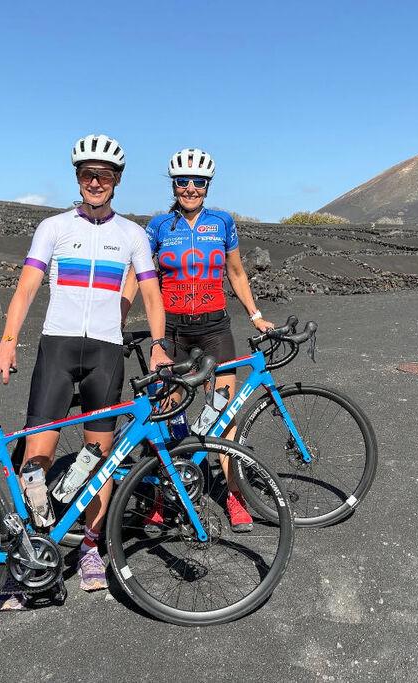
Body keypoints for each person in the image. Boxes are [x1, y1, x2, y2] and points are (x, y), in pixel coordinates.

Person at [0, 134, 171, 605]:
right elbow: (26, 289)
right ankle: (29, 555)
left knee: (99, 460)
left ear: (117, 180)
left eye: (104, 175)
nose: (95, 182)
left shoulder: (132, 235)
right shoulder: (53, 227)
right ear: (78, 178)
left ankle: (90, 548)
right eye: (87, 174)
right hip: (58, 350)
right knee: (35, 460)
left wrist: (160, 346)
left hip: (105, 354)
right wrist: (6, 345)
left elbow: (150, 293)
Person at [123, 147, 275, 532]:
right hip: (173, 330)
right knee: (167, 415)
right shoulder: (159, 226)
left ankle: (235, 495)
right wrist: (117, 319)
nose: (190, 188)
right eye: (182, 181)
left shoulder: (222, 222)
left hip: (214, 329)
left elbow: (236, 273)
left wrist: (255, 315)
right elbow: (139, 276)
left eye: (198, 182)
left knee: (224, 413)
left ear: (208, 185)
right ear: (173, 185)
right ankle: (163, 496)